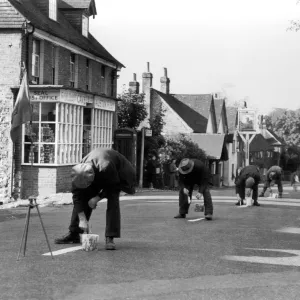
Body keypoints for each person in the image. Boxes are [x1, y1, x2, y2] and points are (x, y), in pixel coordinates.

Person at [54, 148, 136, 250]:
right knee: (83, 197)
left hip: (119, 173)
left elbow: (112, 187)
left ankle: (110, 237)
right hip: (98, 172)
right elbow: (77, 197)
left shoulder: (105, 166)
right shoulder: (78, 173)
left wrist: (96, 198)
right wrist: (82, 219)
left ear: (92, 178)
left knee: (113, 200)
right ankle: (74, 233)